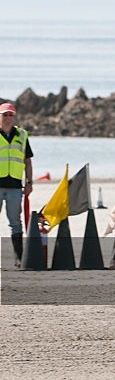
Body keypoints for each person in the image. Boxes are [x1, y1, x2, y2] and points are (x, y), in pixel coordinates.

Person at [0, 102, 34, 268]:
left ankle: (19, 259)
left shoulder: (22, 135)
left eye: (10, 115)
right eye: (4, 115)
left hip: (14, 185)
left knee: (15, 222)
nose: (7, 118)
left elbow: (27, 162)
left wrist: (29, 182)